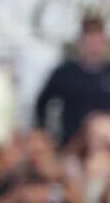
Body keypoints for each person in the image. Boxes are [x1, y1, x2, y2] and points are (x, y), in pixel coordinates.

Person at [35, 15, 110, 147]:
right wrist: (45, 135)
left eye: (97, 38)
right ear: (81, 41)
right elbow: (42, 103)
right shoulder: (65, 73)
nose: (93, 44)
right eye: (89, 38)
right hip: (73, 144)